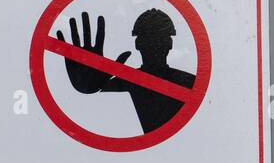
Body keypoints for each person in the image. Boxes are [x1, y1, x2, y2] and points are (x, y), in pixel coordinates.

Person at [58, 8, 195, 133]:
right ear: (138, 44)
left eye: (159, 39)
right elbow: (93, 107)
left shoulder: (191, 83)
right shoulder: (190, 83)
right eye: (149, 39)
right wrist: (89, 87)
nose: (154, 45)